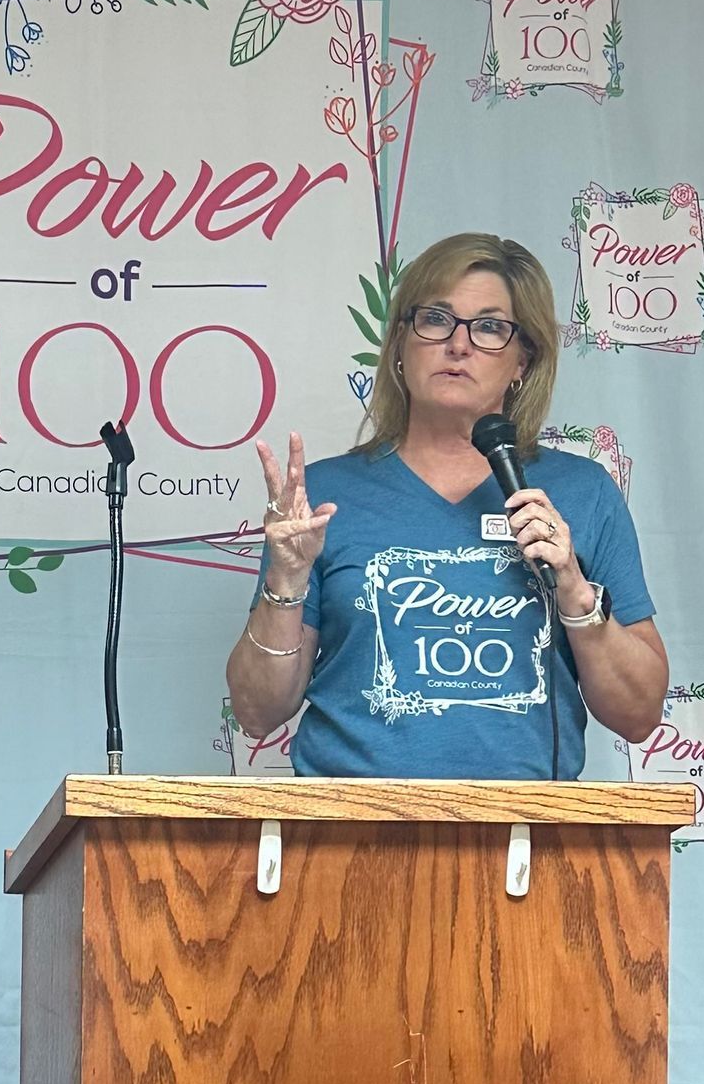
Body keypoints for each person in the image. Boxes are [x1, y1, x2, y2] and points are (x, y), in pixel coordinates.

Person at [225, 232, 668, 779]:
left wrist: (575, 590)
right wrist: (287, 583)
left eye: (489, 327)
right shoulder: (321, 498)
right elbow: (256, 711)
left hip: (529, 834)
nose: (459, 345)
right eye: (437, 319)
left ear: (522, 360)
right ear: (401, 347)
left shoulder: (584, 491)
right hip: (347, 838)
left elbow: (640, 715)